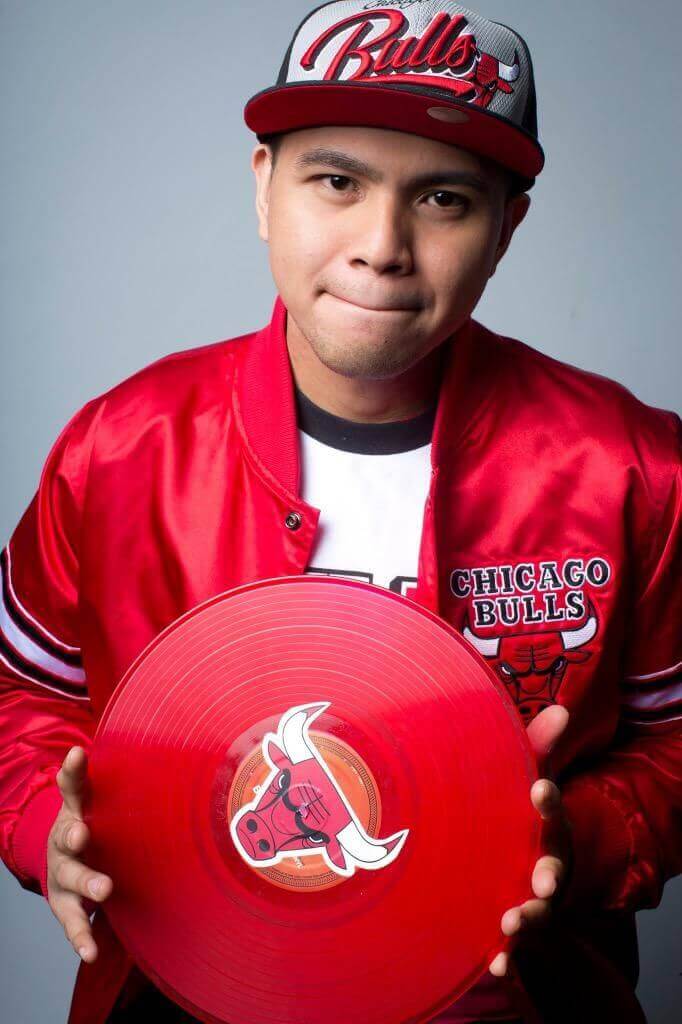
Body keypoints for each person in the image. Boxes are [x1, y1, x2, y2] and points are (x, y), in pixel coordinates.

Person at [1, 2, 680, 1022]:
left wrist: (572, 837)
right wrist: (35, 821)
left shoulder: (630, 467)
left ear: (506, 226)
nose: (382, 245)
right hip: (185, 996)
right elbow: (19, 697)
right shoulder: (116, 450)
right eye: (336, 181)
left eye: (444, 198)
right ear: (263, 188)